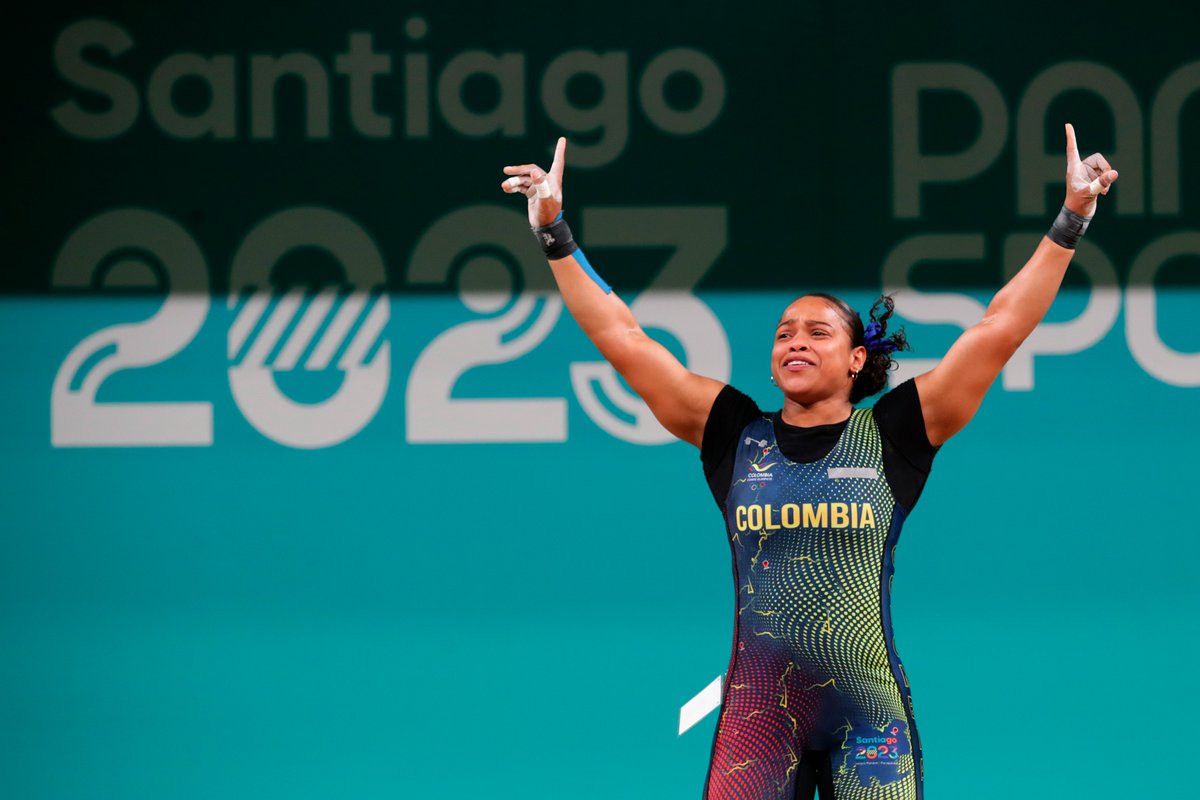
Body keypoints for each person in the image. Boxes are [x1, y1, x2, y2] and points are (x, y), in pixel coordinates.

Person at [500, 125, 1116, 800]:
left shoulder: (897, 433)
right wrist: (554, 233)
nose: (795, 340)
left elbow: (1000, 327)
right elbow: (622, 336)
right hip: (758, 719)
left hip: (869, 718)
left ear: (857, 360)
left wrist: (1072, 218)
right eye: (783, 332)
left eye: (817, 332)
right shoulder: (733, 434)